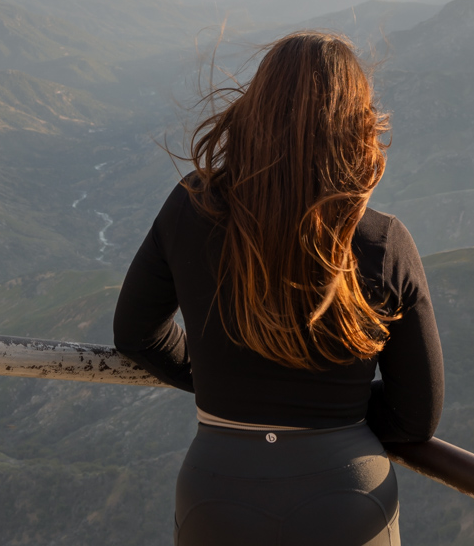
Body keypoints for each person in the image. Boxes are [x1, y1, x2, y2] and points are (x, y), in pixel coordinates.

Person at [113, 31, 444, 546]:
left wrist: (224, 382)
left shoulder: (191, 207)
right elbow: (415, 415)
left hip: (217, 490)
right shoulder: (383, 242)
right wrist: (338, 413)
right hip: (347, 495)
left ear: (255, 110)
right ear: (356, 126)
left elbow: (137, 335)